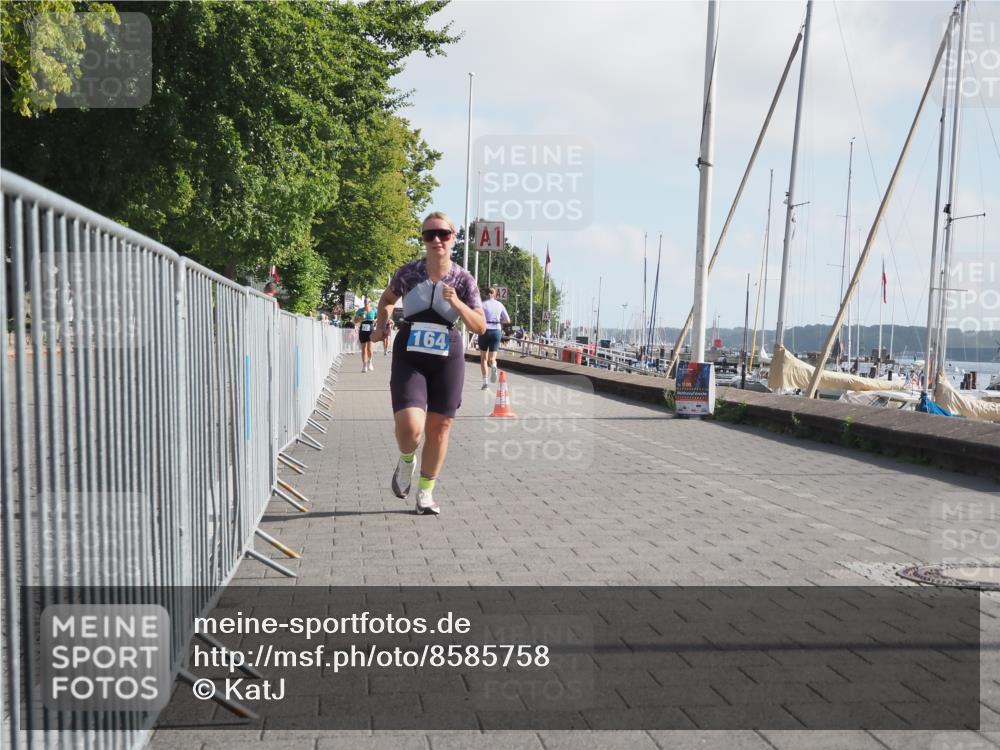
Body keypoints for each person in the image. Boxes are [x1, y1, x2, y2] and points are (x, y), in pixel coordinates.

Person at [370, 211, 486, 515]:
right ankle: (406, 459)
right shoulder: (408, 273)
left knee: (440, 427)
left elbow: (480, 327)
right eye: (429, 234)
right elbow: (386, 300)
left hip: (448, 353)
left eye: (443, 234)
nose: (436, 240)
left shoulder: (463, 278)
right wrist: (383, 322)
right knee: (411, 428)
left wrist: (457, 302)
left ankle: (425, 493)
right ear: (423, 239)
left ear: (453, 238)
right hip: (411, 350)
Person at [478, 287, 511, 389]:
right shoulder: (500, 305)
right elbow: (507, 320)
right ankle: (493, 365)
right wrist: (499, 321)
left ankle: (485, 382)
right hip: (496, 331)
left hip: (484, 331)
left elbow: (477, 317)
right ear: (494, 294)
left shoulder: (482, 304)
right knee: (492, 358)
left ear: (485, 294)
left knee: (483, 358)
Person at [355, 299, 378, 372]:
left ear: (370, 303)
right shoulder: (360, 310)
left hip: (370, 328)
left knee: (370, 348)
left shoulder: (374, 309)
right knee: (363, 348)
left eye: (367, 303)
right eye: (365, 302)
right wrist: (361, 318)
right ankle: (364, 365)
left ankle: (370, 362)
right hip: (363, 328)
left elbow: (379, 317)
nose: (366, 304)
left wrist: (375, 320)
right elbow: (355, 321)